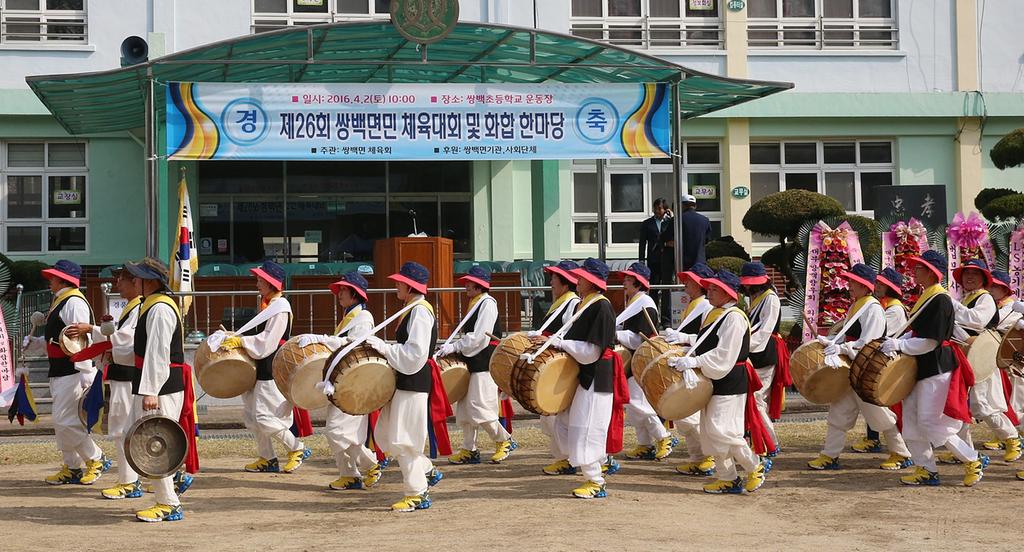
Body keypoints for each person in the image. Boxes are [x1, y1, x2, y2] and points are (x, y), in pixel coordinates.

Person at [885, 251, 986, 487]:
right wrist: (894, 340)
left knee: (931, 422)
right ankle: (926, 469)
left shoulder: (940, 299)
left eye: (919, 268)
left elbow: (931, 341)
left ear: (931, 272)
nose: (914, 271)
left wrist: (899, 344)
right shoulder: (927, 296)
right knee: (910, 421)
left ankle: (973, 460)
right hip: (920, 365)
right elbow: (919, 332)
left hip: (937, 366)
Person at [668, 270, 770, 494]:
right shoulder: (716, 313)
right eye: (710, 288)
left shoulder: (733, 317)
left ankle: (755, 466)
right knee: (710, 431)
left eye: (714, 289)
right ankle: (727, 478)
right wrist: (684, 340)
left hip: (730, 379)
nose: (709, 292)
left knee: (722, 430)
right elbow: (708, 342)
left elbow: (724, 354)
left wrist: (693, 362)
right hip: (715, 378)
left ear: (727, 293)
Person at [806, 264, 913, 472]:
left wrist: (841, 348)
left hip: (864, 369)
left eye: (854, 282)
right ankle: (830, 455)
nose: (849, 286)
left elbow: (869, 343)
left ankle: (901, 453)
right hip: (850, 367)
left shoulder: (872, 308)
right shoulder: (858, 304)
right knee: (838, 413)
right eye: (850, 281)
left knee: (879, 415)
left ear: (865, 286)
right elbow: (848, 335)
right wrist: (829, 341)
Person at [363, 262, 450, 512]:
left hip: (413, 382)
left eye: (399, 282)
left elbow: (415, 354)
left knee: (404, 440)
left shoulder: (420, 311)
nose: (395, 285)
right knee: (387, 435)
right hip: (405, 380)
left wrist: (383, 347)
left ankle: (417, 493)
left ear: (409, 285)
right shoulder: (412, 308)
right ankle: (426, 470)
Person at [546, 258, 628, 499]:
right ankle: (592, 473)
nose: (577, 281)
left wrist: (560, 343)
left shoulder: (601, 307)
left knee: (588, 428)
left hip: (597, 376)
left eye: (581, 278)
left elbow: (591, 351)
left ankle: (595, 480)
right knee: (577, 425)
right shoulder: (586, 304)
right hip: (586, 375)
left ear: (591, 281)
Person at [67, 266, 151, 499]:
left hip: (128, 375)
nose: (117, 284)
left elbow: (128, 339)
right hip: (121, 373)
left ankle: (131, 481)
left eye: (121, 280)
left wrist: (92, 329)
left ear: (135, 282)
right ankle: (132, 479)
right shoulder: (134, 306)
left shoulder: (142, 306)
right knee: (122, 428)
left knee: (123, 429)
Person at [23, 260, 109, 486]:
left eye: (53, 277)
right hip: (61, 369)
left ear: (62, 279)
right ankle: (72, 467)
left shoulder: (73, 302)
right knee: (63, 422)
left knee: (66, 421)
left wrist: (84, 371)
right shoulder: (62, 300)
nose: (49, 280)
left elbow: (81, 339)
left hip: (73, 369)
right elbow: (59, 339)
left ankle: (96, 458)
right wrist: (37, 343)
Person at [125, 257, 198, 522]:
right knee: (151, 441)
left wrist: (151, 391)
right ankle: (175, 480)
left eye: (138, 277)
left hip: (162, 386)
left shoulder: (160, 309)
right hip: (157, 383)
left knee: (155, 443)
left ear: (151, 282)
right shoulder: (152, 305)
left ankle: (168, 503)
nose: (134, 281)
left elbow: (158, 353)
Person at [221, 261, 310, 474]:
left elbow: (268, 341)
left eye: (261, 279)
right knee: (252, 414)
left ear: (271, 283)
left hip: (271, 366)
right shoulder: (268, 305)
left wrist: (241, 341)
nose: (257, 283)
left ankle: (296, 448)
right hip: (260, 365)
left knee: (263, 416)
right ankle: (267, 457)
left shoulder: (280, 307)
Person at [299, 272, 383, 490]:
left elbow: (351, 344)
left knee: (336, 431)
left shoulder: (364, 318)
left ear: (355, 294)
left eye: (343, 290)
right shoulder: (350, 316)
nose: (339, 294)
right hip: (342, 381)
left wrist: (321, 339)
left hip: (354, 382)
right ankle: (349, 474)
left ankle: (370, 464)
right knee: (341, 432)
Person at [936, 260, 1020, 464]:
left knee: (983, 404)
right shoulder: (967, 299)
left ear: (983, 279)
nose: (969, 277)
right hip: (963, 356)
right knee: (961, 404)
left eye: (975, 273)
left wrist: (951, 304)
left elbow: (977, 321)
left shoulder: (986, 298)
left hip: (981, 356)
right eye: (966, 274)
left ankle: (1012, 439)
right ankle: (964, 451)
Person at [437, 266, 517, 465]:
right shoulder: (476, 302)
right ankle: (469, 449)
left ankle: (504, 439)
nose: (466, 286)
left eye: (470, 282)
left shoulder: (488, 303)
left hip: (483, 361)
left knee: (480, 406)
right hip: (472, 360)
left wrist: (456, 346)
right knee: (465, 409)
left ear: (480, 284)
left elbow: (479, 337)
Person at [615, 262, 673, 461]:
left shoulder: (645, 304)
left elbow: (640, 337)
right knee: (633, 406)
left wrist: (616, 336)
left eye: (629, 279)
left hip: (640, 360)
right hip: (631, 359)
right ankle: (644, 444)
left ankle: (663, 437)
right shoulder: (634, 303)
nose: (624, 282)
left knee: (637, 403)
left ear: (638, 283)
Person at [663, 262, 716, 476]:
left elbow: (708, 339)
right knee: (685, 416)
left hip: (696, 362)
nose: (685, 283)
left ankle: (707, 456)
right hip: (685, 361)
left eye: (690, 280)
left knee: (689, 414)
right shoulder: (695, 304)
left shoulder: (706, 306)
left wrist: (683, 337)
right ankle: (698, 457)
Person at [534, 261, 584, 476]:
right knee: (552, 417)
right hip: (555, 365)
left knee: (561, 416)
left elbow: (570, 334)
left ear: (565, 282)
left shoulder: (572, 303)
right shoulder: (561, 302)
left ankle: (572, 458)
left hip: (565, 366)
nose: (551, 281)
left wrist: (549, 339)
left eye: (554, 277)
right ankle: (566, 457)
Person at [854, 267, 910, 453]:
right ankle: (874, 438)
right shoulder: (884, 305)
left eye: (881, 284)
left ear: (890, 288)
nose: (876, 287)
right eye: (876, 283)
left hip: (887, 359)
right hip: (879, 356)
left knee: (878, 402)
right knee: (871, 401)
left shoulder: (895, 309)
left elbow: (881, 332)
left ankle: (890, 443)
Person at [738, 262, 786, 457]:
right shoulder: (755, 297)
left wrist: (743, 346)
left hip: (765, 351)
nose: (748, 287)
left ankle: (769, 442)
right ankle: (760, 439)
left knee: (758, 399)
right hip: (754, 351)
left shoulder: (771, 299)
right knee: (754, 400)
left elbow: (765, 330)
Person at [985, 271, 1024, 455]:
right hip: (1003, 360)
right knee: (1005, 401)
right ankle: (1003, 436)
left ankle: (1014, 438)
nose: (991, 289)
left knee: (1016, 404)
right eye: (990, 286)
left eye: (995, 286)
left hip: (1015, 362)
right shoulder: (1002, 306)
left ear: (1004, 289)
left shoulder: (1011, 308)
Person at [638, 198, 673, 327]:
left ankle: (666, 320)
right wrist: (641, 259)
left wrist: (672, 216)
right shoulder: (647, 224)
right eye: (656, 208)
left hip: (667, 260)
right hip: (653, 260)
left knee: (666, 290)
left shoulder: (670, 222)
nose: (658, 211)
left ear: (666, 209)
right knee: (653, 289)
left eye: (661, 208)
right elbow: (642, 243)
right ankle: (653, 319)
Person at [662, 194, 711, 272]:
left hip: (682, 262)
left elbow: (665, 237)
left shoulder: (677, 219)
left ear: (682, 205)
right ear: (695, 206)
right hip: (700, 261)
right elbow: (707, 240)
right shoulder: (705, 220)